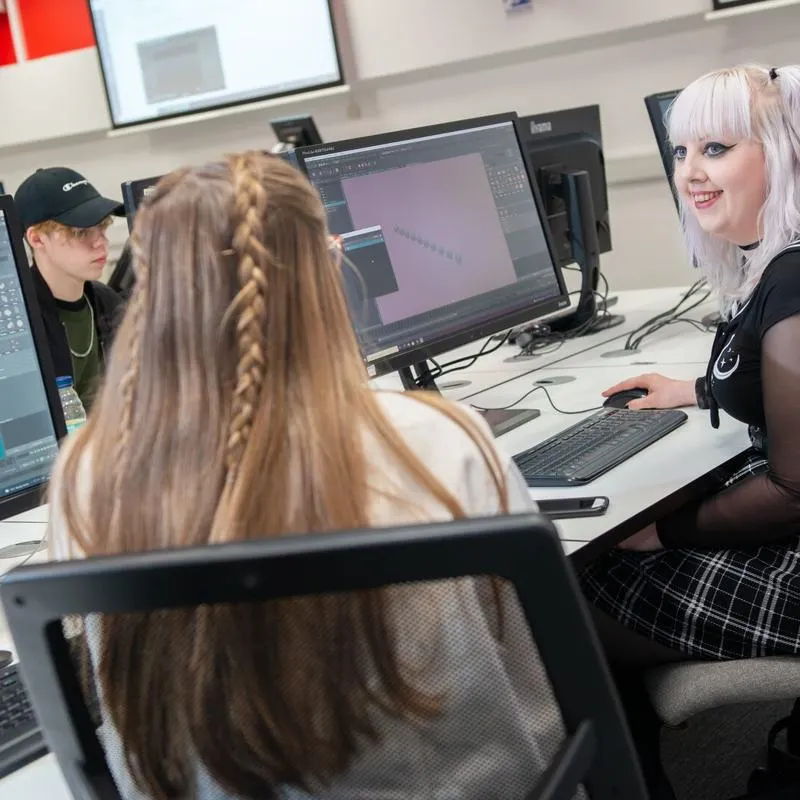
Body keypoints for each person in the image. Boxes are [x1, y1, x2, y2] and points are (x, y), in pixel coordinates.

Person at [45, 153, 569, 800]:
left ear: (154, 297)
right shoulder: (436, 439)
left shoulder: (87, 472)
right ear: (326, 273)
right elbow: (540, 679)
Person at [581, 64, 800, 795]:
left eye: (716, 149)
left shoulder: (793, 284)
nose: (690, 174)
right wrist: (699, 388)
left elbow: (794, 492)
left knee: (570, 602)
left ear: (782, 149)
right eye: (681, 153)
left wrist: (669, 531)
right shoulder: (778, 268)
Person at [14, 167, 125, 410]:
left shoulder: (107, 301)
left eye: (102, 226)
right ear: (37, 239)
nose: (101, 242)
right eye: (80, 232)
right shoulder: (19, 327)